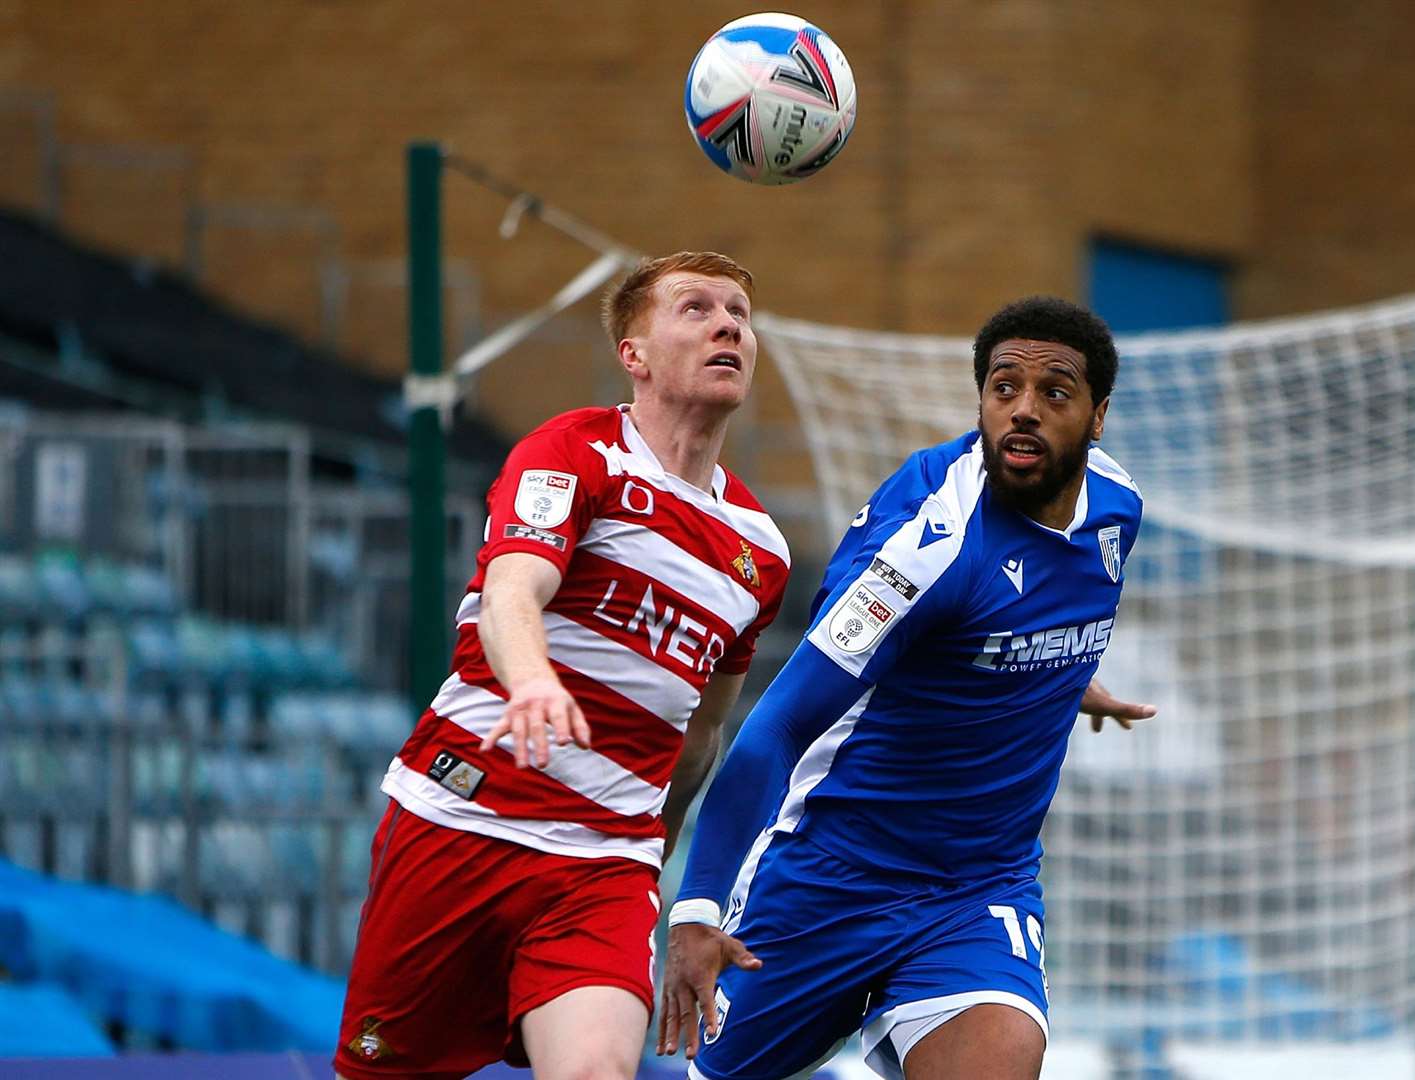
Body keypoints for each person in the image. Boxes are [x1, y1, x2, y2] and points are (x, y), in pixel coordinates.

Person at [659, 296, 1156, 1080]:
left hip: (979, 888)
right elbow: (778, 728)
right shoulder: (930, 549)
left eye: (1053, 394)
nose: (1022, 411)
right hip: (830, 875)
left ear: (1098, 418)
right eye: (1003, 389)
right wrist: (695, 909)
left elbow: (1033, 609)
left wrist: (1060, 672)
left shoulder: (1118, 511)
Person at [334, 251, 789, 1080]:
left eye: (739, 313)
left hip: (602, 862)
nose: (729, 324)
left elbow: (703, 734)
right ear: (634, 354)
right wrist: (535, 679)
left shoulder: (762, 549)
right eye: (695, 308)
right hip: (461, 819)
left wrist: (655, 861)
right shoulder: (574, 451)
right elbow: (513, 587)